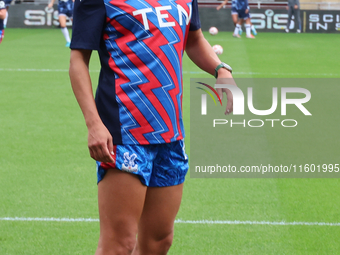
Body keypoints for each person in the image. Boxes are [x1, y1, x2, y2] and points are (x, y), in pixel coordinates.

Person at [69, 0, 235, 254]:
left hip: (170, 135)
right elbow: (78, 61)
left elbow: (193, 39)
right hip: (124, 134)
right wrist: (94, 123)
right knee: (119, 245)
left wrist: (220, 69)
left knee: (159, 241)